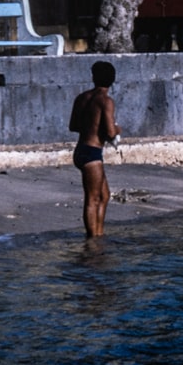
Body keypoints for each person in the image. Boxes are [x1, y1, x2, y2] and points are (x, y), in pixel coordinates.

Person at [69, 61, 121, 237]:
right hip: (92, 153)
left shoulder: (82, 98)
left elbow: (73, 126)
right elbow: (110, 132)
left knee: (104, 195)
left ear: (94, 77)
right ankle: (92, 240)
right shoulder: (106, 101)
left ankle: (99, 233)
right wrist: (118, 129)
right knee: (92, 199)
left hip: (81, 149)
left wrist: (91, 125)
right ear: (112, 80)